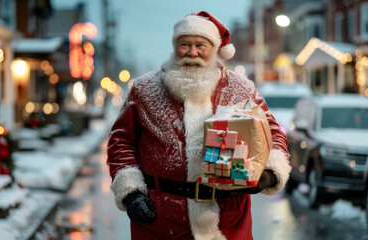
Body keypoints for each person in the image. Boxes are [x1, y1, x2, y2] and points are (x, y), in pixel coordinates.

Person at [107, 11, 291, 240]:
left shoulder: (241, 88)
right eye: (185, 44)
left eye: (201, 45)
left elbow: (273, 132)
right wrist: (132, 192)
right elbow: (120, 142)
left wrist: (271, 173)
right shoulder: (145, 89)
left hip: (228, 220)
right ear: (175, 47)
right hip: (162, 219)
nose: (192, 53)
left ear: (214, 49)